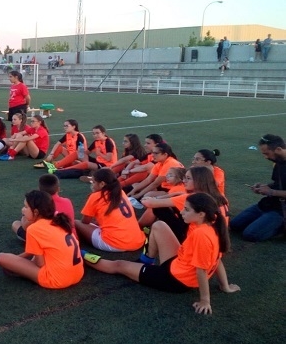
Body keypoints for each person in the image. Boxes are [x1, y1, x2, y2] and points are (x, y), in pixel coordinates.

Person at [82, 193, 240, 315]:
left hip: (175, 280)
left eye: (186, 210)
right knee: (159, 225)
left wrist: (205, 300)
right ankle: (146, 261)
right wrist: (224, 286)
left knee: (119, 265)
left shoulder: (202, 235)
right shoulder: (211, 226)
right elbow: (218, 259)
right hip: (178, 263)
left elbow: (201, 270)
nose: (182, 212)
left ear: (201, 214)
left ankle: (80, 254)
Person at [0, 190, 84, 289]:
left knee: (1, 257)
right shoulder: (58, 220)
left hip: (57, 279)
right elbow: (37, 250)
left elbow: (40, 264)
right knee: (21, 259)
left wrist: (17, 262)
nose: (23, 210)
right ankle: (20, 269)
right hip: (78, 274)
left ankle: (21, 272)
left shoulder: (34, 229)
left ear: (36, 212)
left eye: (26, 207)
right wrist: (18, 258)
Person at [230, 134, 286, 241]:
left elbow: (275, 190)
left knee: (250, 235)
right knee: (235, 225)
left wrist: (271, 192)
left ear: (278, 149)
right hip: (269, 204)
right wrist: (264, 187)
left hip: (281, 210)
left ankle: (280, 226)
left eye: (267, 153)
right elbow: (278, 183)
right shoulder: (278, 161)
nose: (265, 157)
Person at [76, 168, 146, 252]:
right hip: (137, 241)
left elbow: (85, 222)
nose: (92, 185)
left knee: (75, 222)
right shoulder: (120, 192)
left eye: (94, 182)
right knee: (98, 223)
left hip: (116, 243)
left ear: (102, 184)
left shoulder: (96, 196)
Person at [12, 174, 75, 241]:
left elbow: (25, 227)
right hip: (71, 238)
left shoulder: (40, 205)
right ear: (58, 189)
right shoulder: (67, 201)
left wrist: (24, 215)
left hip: (50, 241)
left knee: (16, 224)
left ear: (40, 190)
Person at [48, 125, 117, 175]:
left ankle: (61, 170)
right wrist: (80, 154)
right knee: (79, 153)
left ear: (103, 133)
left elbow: (108, 158)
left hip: (106, 165)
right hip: (98, 161)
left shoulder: (108, 142)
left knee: (86, 163)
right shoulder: (96, 141)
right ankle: (56, 165)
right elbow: (87, 152)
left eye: (97, 133)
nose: (95, 135)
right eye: (93, 133)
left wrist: (99, 154)